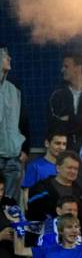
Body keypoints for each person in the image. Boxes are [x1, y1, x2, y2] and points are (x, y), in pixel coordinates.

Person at [47, 53, 82, 151]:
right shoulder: (58, 95)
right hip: (65, 151)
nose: (62, 70)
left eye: (66, 66)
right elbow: (55, 124)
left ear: (78, 68)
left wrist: (70, 119)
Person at [0, 46, 30, 204]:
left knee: (11, 205)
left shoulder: (13, 89)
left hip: (13, 157)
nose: (9, 59)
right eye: (5, 56)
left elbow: (24, 120)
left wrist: (25, 149)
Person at [26, 150, 82, 225]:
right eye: (69, 168)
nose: (73, 171)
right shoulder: (39, 190)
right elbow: (33, 217)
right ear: (58, 168)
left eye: (76, 169)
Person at [20, 130, 67, 203]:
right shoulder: (35, 166)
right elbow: (26, 193)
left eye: (64, 144)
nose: (61, 147)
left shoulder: (67, 167)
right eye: (57, 143)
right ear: (47, 143)